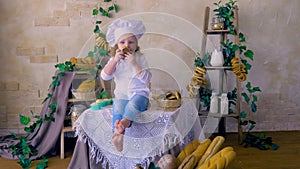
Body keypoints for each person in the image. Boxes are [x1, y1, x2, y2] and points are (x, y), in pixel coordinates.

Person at [100, 19, 152, 151]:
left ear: (136, 44)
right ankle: (117, 134)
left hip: (140, 95)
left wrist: (134, 63)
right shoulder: (115, 59)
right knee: (117, 109)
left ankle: (123, 123)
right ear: (117, 45)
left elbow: (146, 79)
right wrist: (115, 61)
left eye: (131, 42)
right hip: (122, 95)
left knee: (133, 105)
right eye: (122, 42)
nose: (126, 45)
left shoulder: (140, 58)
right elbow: (105, 76)